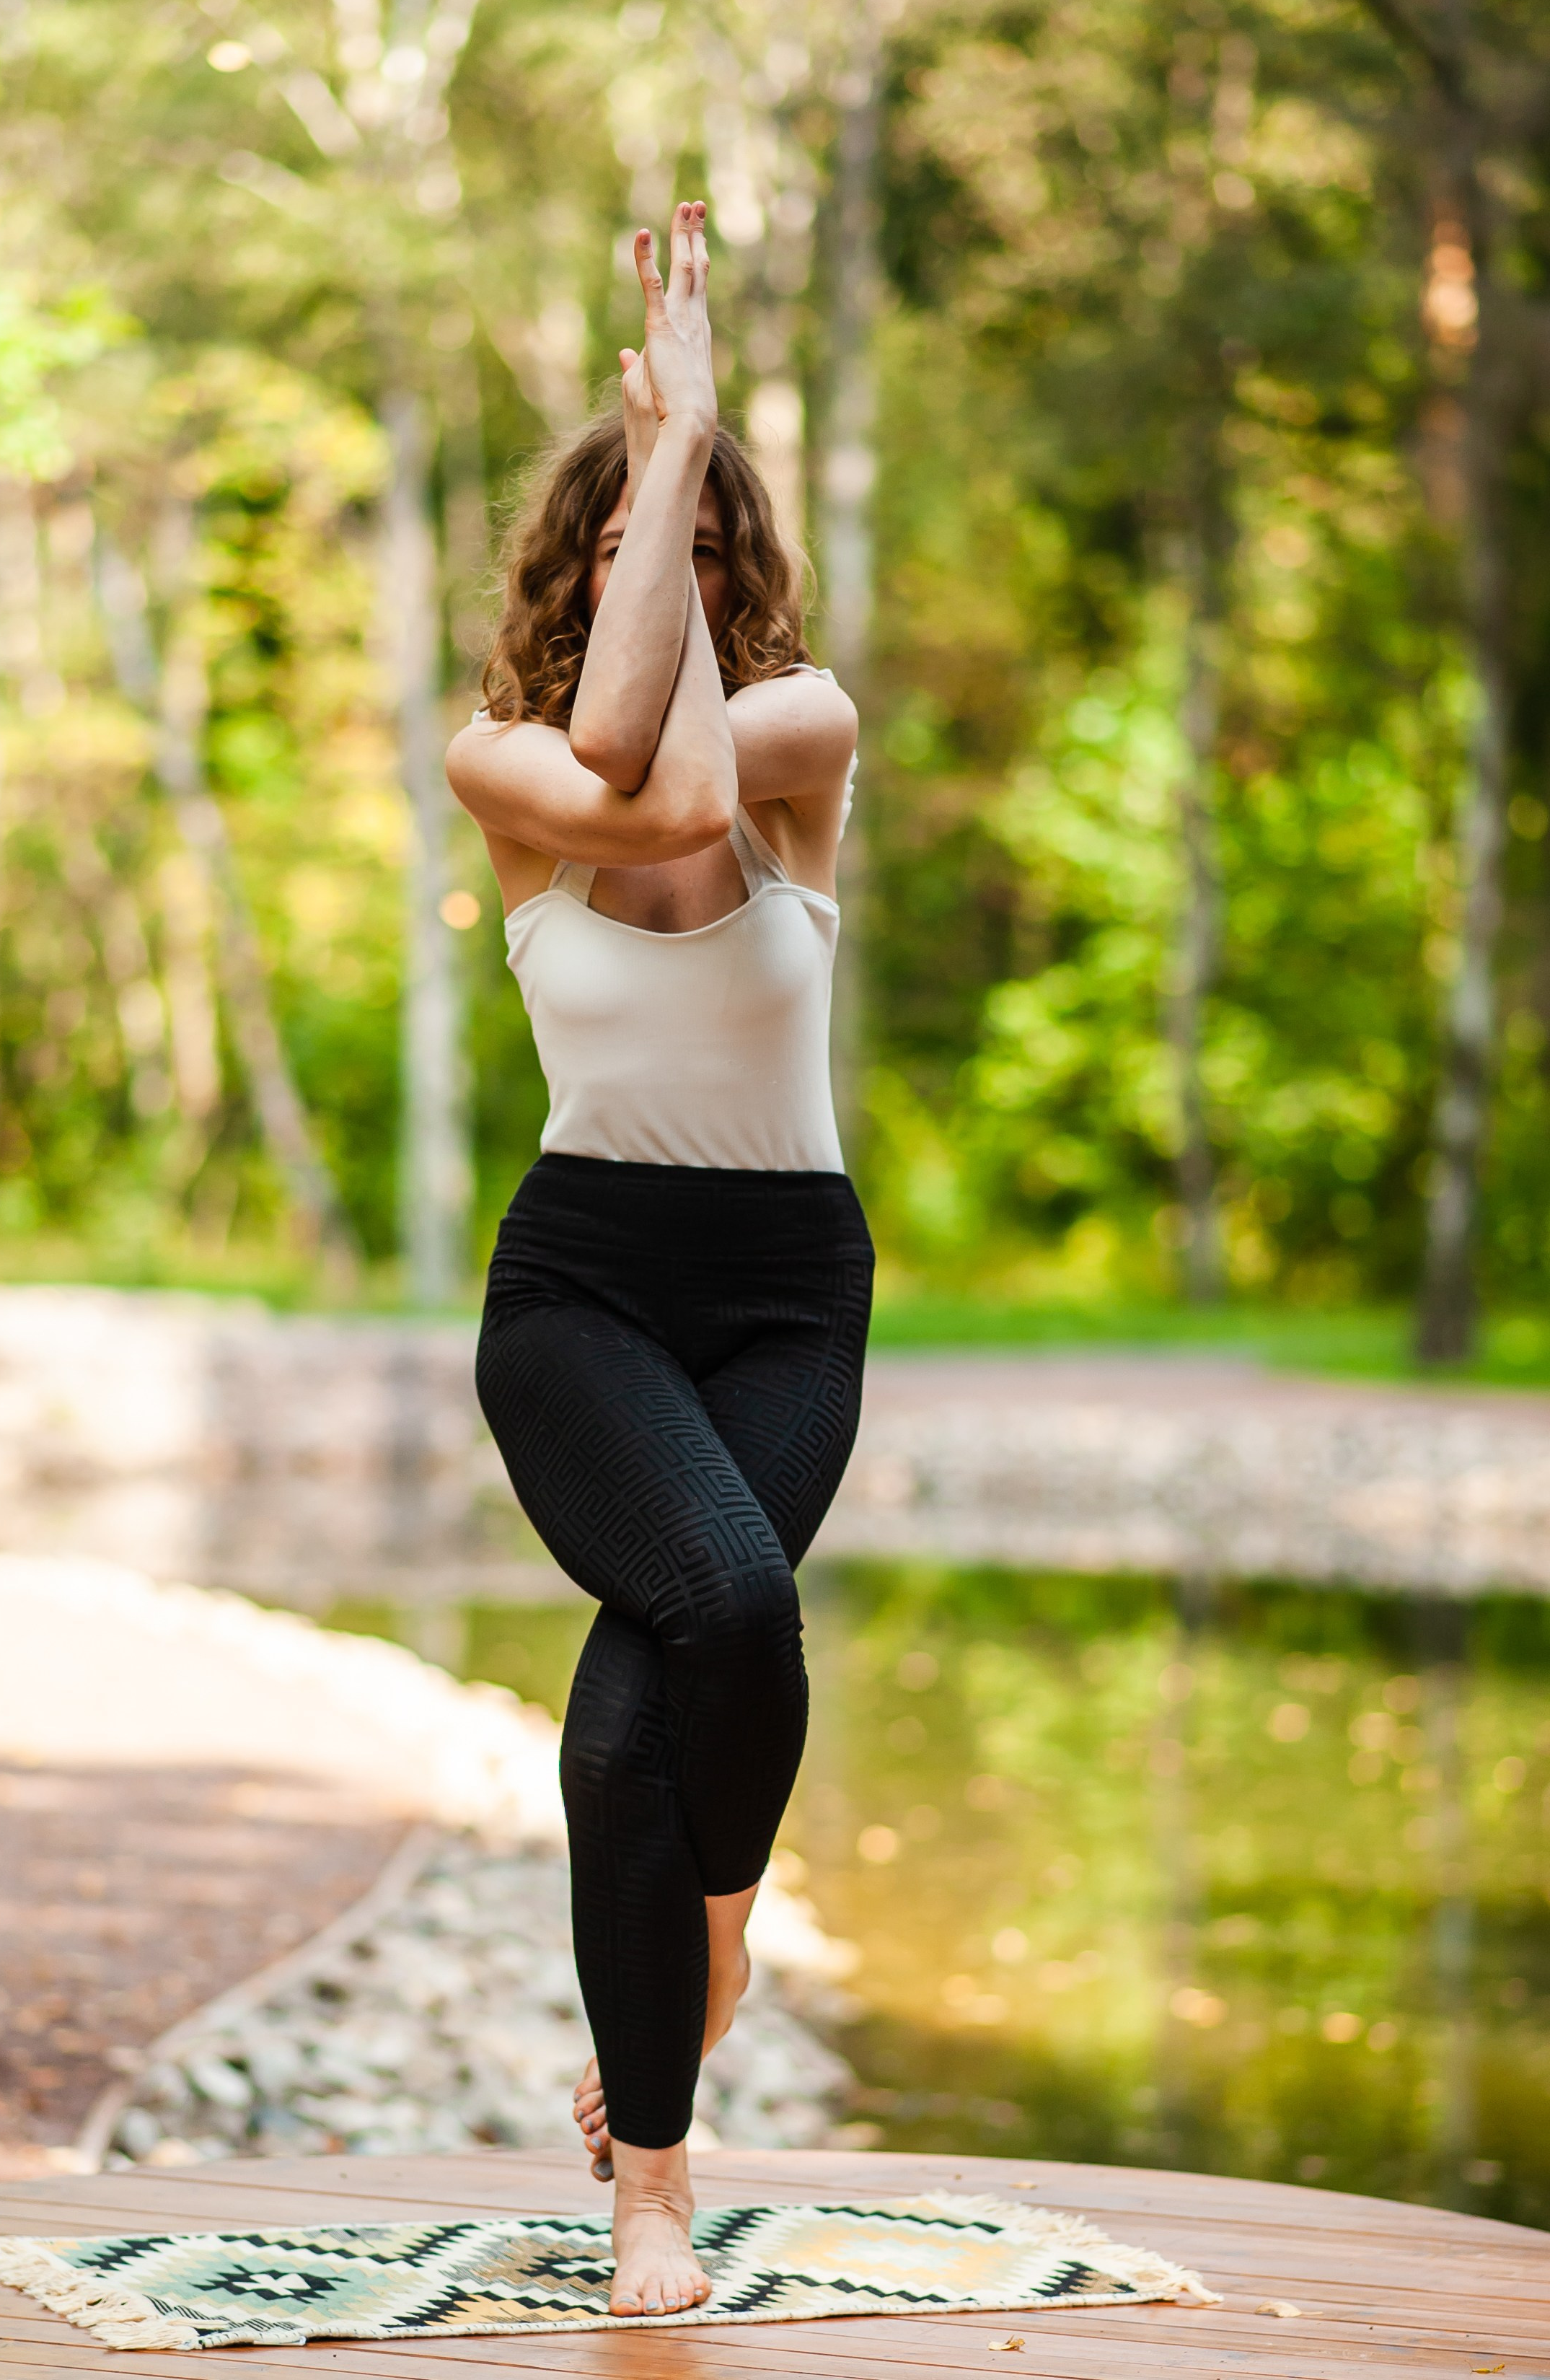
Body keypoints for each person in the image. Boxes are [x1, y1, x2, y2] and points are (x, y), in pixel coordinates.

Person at [446, 203, 871, 2320]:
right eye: (633, 541)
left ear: (743, 565)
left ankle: (673, 2031)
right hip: (582, 1287)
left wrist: (688, 442)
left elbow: (708, 763)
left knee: (643, 1716)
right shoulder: (503, 774)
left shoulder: (806, 735)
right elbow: (635, 777)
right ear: (578, 569)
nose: (676, 573)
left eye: (704, 540)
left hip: (791, 1282)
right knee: (717, 1595)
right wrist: (673, 432)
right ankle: (660, 2169)